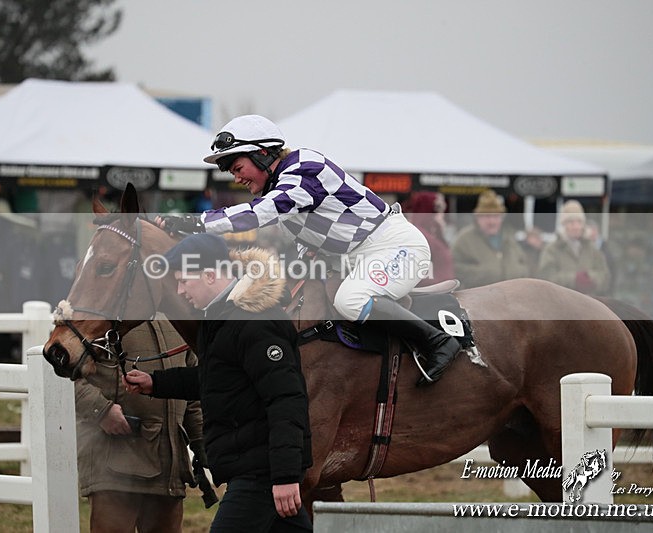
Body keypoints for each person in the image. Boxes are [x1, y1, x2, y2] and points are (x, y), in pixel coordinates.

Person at [157, 114, 460, 385]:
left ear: (263, 154)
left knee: (351, 300)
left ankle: (437, 342)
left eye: (238, 167)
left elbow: (260, 214)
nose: (236, 178)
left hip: (397, 247)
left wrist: (197, 223)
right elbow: (306, 243)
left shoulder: (303, 169)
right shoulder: (281, 184)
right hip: (358, 256)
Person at [124, 233, 314, 533]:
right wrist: (156, 383)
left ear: (210, 275)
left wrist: (285, 477)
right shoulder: (221, 318)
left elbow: (286, 399)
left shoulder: (253, 322)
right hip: (256, 470)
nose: (180, 290)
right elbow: (220, 381)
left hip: (261, 474)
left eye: (184, 280)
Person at [75, 320, 204, 533]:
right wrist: (102, 410)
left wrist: (200, 441)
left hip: (169, 463)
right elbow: (67, 369)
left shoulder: (175, 318)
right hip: (115, 463)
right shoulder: (98, 313)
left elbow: (191, 387)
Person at [450, 189, 530, 289]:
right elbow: (453, 269)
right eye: (487, 216)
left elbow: (523, 264)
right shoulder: (463, 240)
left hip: (510, 297)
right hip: (477, 299)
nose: (492, 222)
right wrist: (486, 272)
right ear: (477, 218)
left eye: (496, 216)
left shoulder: (510, 237)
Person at [537, 200, 610, 296]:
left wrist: (591, 279)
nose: (576, 226)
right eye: (571, 222)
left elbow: (605, 276)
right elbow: (546, 279)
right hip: (562, 303)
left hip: (590, 303)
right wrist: (574, 279)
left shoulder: (592, 249)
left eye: (579, 222)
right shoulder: (552, 250)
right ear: (564, 225)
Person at [402, 191, 455, 286]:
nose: (442, 216)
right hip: (429, 294)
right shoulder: (419, 237)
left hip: (441, 291)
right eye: (437, 211)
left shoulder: (434, 234)